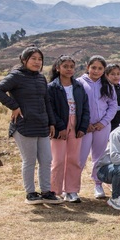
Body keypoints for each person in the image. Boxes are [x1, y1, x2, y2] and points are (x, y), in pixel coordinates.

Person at [0, 46, 62, 205]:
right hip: (24, 125)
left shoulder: (40, 78)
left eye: (40, 59)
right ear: (24, 60)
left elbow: (46, 101)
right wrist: (14, 106)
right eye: (33, 59)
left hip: (42, 124)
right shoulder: (16, 76)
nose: (37, 62)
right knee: (29, 161)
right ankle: (30, 193)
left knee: (46, 159)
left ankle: (46, 192)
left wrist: (51, 122)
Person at [47, 55, 90, 203]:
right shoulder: (52, 87)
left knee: (73, 159)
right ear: (58, 68)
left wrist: (82, 127)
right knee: (57, 160)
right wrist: (59, 127)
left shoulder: (78, 87)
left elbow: (85, 108)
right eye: (65, 66)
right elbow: (50, 109)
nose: (69, 69)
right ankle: (55, 191)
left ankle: (71, 190)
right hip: (60, 127)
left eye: (71, 66)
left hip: (76, 125)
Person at [77, 55, 117, 200]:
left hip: (102, 127)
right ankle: (72, 187)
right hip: (84, 127)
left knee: (99, 157)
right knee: (80, 158)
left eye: (100, 68)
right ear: (88, 67)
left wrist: (104, 122)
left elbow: (112, 105)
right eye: (93, 67)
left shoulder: (107, 85)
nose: (96, 71)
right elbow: (75, 105)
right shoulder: (78, 83)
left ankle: (98, 184)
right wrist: (84, 123)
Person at [105, 64, 120, 131]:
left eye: (118, 74)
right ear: (106, 75)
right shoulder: (105, 90)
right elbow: (106, 108)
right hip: (110, 125)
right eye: (112, 74)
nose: (116, 76)